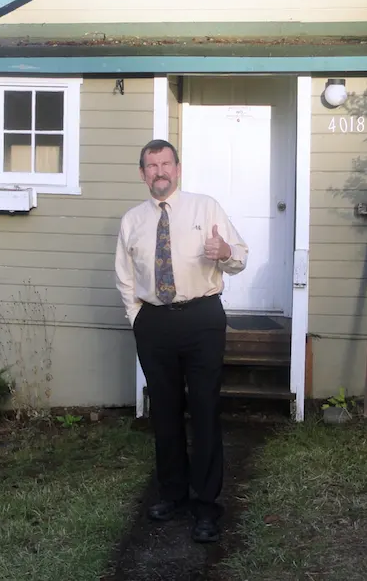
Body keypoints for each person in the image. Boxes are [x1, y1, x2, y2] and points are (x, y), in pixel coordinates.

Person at [114, 138, 248, 544]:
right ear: (142, 174)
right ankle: (172, 494)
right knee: (165, 413)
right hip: (153, 322)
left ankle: (206, 505)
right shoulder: (132, 220)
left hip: (202, 318)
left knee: (205, 410)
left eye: (166, 164)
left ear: (178, 168)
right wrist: (137, 317)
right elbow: (124, 275)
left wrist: (224, 250)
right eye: (151, 166)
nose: (159, 172)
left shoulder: (205, 207)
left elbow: (239, 256)